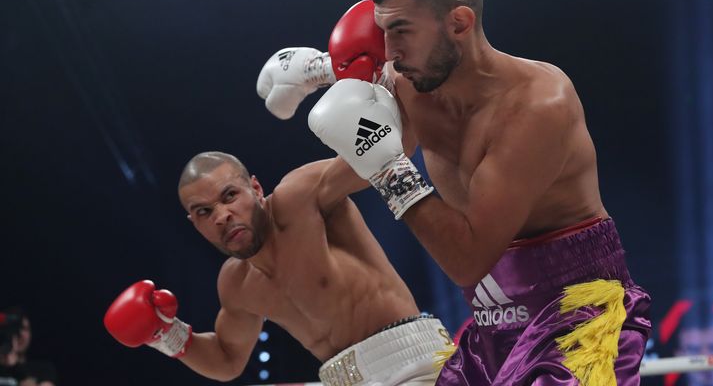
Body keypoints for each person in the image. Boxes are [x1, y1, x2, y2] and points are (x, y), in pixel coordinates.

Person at [256, 0, 652, 384]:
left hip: (576, 314)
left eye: (401, 31)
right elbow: (352, 162)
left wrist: (389, 167)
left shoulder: (537, 107)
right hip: (491, 325)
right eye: (383, 30)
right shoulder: (411, 81)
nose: (389, 50)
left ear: (459, 23)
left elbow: (467, 259)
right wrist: (318, 69)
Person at [104, 152, 453, 386]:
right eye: (203, 212)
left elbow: (384, 152)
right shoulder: (236, 284)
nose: (222, 216)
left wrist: (351, 80)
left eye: (229, 196)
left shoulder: (300, 199)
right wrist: (166, 335)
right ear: (194, 223)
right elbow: (227, 360)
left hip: (417, 364)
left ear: (255, 188)